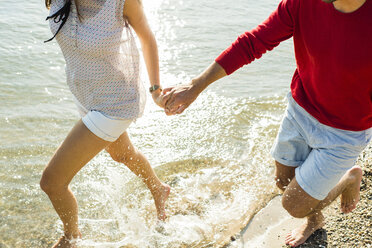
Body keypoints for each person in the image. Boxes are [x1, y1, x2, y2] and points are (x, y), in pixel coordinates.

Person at [163, 0, 372, 246]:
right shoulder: (303, 4)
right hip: (300, 109)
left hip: (344, 132)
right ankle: (315, 218)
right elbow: (253, 42)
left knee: (293, 204)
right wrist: (196, 86)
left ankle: (347, 179)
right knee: (283, 181)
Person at [40, 0, 171, 247]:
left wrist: (155, 90)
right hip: (85, 94)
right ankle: (158, 188)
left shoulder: (120, 2)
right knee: (122, 154)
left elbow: (147, 39)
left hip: (115, 102)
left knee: (52, 182)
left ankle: (71, 238)